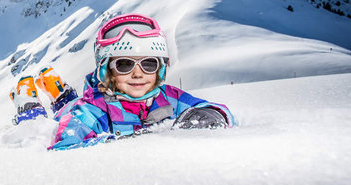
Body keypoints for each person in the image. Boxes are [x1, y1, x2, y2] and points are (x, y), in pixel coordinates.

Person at [49, 13, 234, 150]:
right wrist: (122, 145)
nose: (138, 74)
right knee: (48, 111)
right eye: (124, 64)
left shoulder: (170, 98)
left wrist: (210, 115)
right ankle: (38, 98)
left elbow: (215, 109)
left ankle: (62, 94)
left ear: (160, 69)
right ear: (107, 71)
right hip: (70, 108)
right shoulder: (92, 110)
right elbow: (65, 147)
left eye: (149, 64)